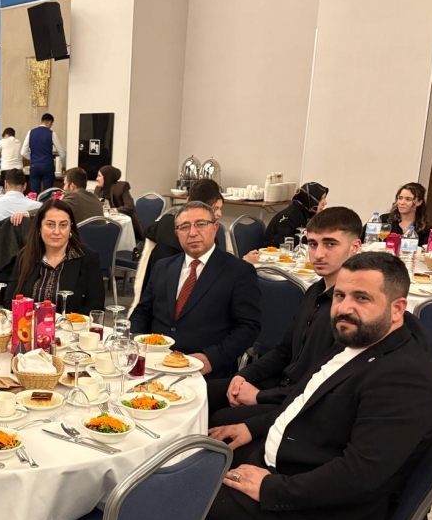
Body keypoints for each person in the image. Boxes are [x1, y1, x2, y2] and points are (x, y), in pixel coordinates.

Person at [138, 252, 432, 520]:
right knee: (191, 458)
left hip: (328, 514)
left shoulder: (404, 378)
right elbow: (304, 402)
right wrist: (250, 428)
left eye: (362, 298)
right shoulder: (364, 338)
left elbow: (360, 477)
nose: (344, 308)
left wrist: (270, 488)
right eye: (340, 296)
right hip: (299, 465)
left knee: (180, 496)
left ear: (398, 308)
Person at [208, 207, 363, 426]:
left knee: (220, 420)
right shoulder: (314, 291)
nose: (319, 254)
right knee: (201, 393)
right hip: (281, 385)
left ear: (354, 247)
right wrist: (245, 375)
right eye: (313, 244)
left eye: (330, 244)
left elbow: (323, 383)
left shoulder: (350, 310)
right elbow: (284, 350)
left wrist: (259, 397)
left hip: (304, 403)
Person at [129, 201, 261, 380]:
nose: (192, 233)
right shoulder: (163, 266)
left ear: (215, 228)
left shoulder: (238, 271)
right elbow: (142, 311)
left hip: (204, 371)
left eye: (200, 224)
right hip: (154, 363)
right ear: (177, 234)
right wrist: (136, 341)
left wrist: (211, 359)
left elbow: (248, 327)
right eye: (184, 227)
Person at [5, 199, 104, 314]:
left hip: (72, 325)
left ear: (70, 228)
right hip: (30, 323)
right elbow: (9, 301)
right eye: (50, 224)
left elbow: (95, 306)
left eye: (63, 225)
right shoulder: (25, 256)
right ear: (39, 227)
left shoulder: (88, 258)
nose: (57, 232)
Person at [143, 178, 225, 291]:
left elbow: (148, 231)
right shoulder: (206, 240)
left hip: (155, 290)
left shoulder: (165, 222)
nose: (192, 233)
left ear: (187, 200)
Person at [0, 169, 40, 245]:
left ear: (5, 184)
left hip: (1, 251)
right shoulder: (38, 207)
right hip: (29, 251)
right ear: (25, 186)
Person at [264, 182, 330, 248]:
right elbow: (281, 242)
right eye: (321, 199)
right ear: (311, 199)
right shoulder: (288, 217)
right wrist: (312, 237)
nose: (325, 203)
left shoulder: (309, 214)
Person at [95, 165, 142, 241]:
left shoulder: (121, 187)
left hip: (124, 225)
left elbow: (130, 206)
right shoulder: (98, 189)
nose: (97, 179)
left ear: (107, 177)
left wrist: (116, 210)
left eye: (99, 176)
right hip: (105, 221)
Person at [21, 114, 65, 194]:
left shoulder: (30, 132)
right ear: (50, 122)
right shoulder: (52, 134)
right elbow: (62, 153)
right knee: (48, 193)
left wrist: (33, 158)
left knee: (34, 194)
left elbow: (23, 152)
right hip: (47, 166)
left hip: (34, 165)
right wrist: (63, 165)